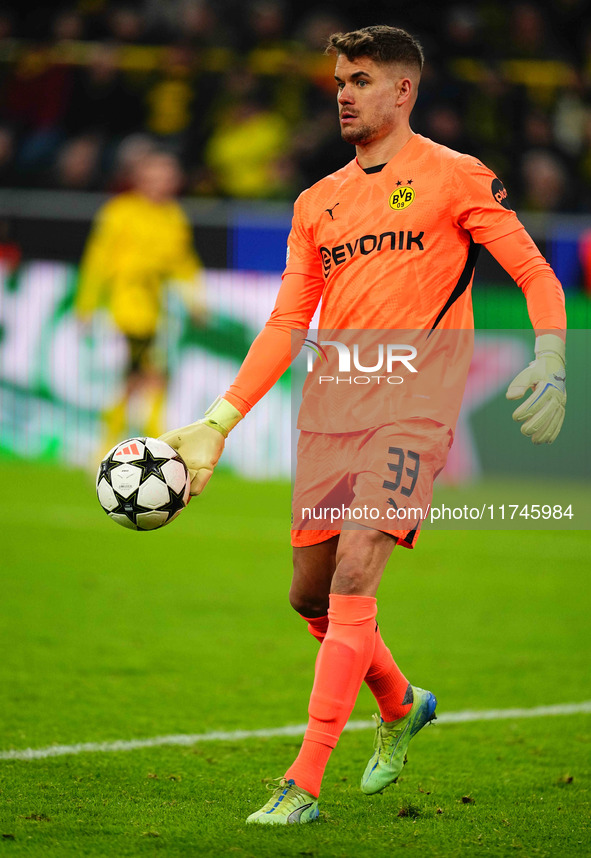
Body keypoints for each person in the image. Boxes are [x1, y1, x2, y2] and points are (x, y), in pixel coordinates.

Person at [160, 25, 567, 824]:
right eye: (339, 80)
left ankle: (301, 784)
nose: (343, 93)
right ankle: (400, 702)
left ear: (402, 90)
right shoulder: (317, 202)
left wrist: (551, 355)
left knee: (354, 578)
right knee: (309, 598)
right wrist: (219, 420)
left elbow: (532, 269)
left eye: (361, 79)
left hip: (412, 413)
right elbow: (285, 322)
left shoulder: (455, 177)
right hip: (328, 415)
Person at [76, 150, 206, 448]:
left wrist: (196, 300)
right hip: (125, 306)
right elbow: (97, 260)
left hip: (155, 307)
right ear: (140, 179)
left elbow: (183, 262)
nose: (161, 183)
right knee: (145, 375)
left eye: (167, 176)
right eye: (155, 176)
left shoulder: (174, 216)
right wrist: (86, 305)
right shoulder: (119, 212)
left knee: (142, 377)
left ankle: (124, 442)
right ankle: (145, 442)